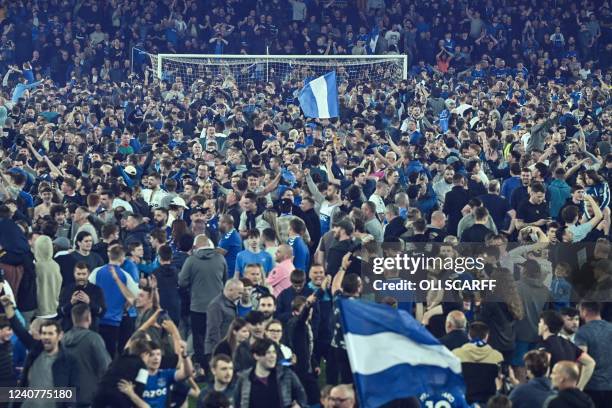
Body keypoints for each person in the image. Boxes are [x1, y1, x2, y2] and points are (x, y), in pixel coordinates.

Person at [1, 295, 80, 408]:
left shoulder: (69, 360)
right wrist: (8, 306)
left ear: (60, 336)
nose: (46, 337)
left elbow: (73, 391)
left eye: (50, 333)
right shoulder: (36, 349)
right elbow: (19, 329)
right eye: (44, 333)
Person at [179, 234, 227, 370]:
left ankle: (204, 368)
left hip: (197, 307)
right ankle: (217, 366)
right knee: (215, 337)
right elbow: (225, 280)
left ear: (195, 246)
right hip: (217, 306)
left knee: (199, 340)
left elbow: (182, 282)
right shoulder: (220, 259)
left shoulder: (191, 260)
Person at [89, 244, 140, 357]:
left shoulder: (97, 272)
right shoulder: (125, 276)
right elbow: (136, 297)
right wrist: (126, 306)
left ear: (109, 256)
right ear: (122, 259)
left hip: (97, 319)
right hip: (115, 321)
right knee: (111, 354)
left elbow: (88, 291)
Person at [233, 338, 307, 408]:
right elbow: (237, 403)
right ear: (256, 355)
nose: (273, 356)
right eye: (268, 353)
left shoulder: (285, 374)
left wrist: (298, 405)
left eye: (274, 352)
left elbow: (301, 395)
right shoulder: (244, 379)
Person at [63, 303, 112, 407]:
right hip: (89, 395)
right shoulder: (94, 339)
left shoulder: (62, 339)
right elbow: (106, 367)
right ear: (89, 317)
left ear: (73, 319)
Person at [537, 310, 595, 389]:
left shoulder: (544, 345)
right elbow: (590, 363)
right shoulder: (568, 343)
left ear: (545, 327)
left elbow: (544, 368)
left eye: (540, 322)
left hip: (552, 392)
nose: (538, 325)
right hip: (568, 391)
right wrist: (579, 388)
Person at [92, 337, 153, 408]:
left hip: (99, 394)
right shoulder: (142, 367)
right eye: (149, 356)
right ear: (145, 354)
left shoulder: (118, 359)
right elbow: (139, 390)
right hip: (119, 399)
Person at [452, 321, 504, 405]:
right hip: (489, 402)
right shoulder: (497, 357)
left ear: (468, 335)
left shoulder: (456, 354)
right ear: (487, 336)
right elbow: (498, 381)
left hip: (464, 401)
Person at [575, 302, 612, 406]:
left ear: (585, 311)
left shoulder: (583, 332)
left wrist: (577, 385)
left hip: (592, 386)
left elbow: (581, 361)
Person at [57, 262, 106, 332]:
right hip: (69, 330)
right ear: (74, 274)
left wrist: (89, 302)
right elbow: (60, 312)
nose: (81, 277)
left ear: (88, 274)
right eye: (78, 274)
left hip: (90, 331)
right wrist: (71, 303)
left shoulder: (96, 290)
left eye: (84, 274)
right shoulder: (66, 289)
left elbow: (102, 312)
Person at [205, 279, 244, 362]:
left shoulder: (231, 303)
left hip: (227, 348)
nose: (241, 296)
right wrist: (220, 349)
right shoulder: (216, 305)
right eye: (239, 293)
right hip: (216, 350)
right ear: (230, 290)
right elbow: (214, 329)